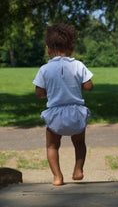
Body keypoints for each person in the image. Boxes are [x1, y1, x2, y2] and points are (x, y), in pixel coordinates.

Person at [33, 23, 93, 186]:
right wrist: (76, 85)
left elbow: (39, 93)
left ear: (48, 49)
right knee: (79, 143)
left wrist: (49, 91)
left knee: (52, 146)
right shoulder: (78, 65)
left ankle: (58, 177)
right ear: (71, 50)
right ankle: (78, 169)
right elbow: (89, 86)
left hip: (55, 116)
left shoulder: (44, 69)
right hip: (76, 114)